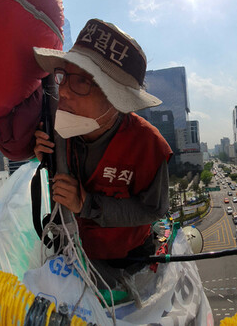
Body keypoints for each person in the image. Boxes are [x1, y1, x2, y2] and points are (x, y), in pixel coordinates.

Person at [32, 19, 172, 266]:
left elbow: (154, 209)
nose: (63, 91)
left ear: (116, 99)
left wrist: (87, 205)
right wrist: (48, 159)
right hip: (70, 255)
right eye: (62, 76)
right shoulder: (57, 129)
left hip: (128, 258)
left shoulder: (149, 146)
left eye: (82, 81)